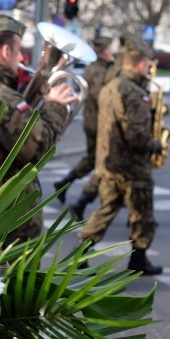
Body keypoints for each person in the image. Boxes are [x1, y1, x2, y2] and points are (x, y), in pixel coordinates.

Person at [0, 13, 77, 242]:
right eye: (17, 51)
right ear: (5, 52)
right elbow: (40, 148)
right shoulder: (0, 96)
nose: (21, 57)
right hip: (9, 217)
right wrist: (55, 107)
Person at [76, 38, 164, 275]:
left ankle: (80, 254)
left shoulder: (112, 86)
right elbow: (137, 138)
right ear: (141, 64)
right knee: (142, 216)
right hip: (132, 168)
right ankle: (139, 260)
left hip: (109, 164)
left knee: (106, 210)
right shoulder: (135, 94)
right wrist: (156, 144)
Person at [53, 35, 114, 214]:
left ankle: (64, 183)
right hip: (96, 123)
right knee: (103, 162)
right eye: (109, 49)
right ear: (102, 51)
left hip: (98, 122)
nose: (112, 52)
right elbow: (100, 94)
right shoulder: (96, 70)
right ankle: (83, 200)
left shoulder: (104, 68)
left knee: (93, 159)